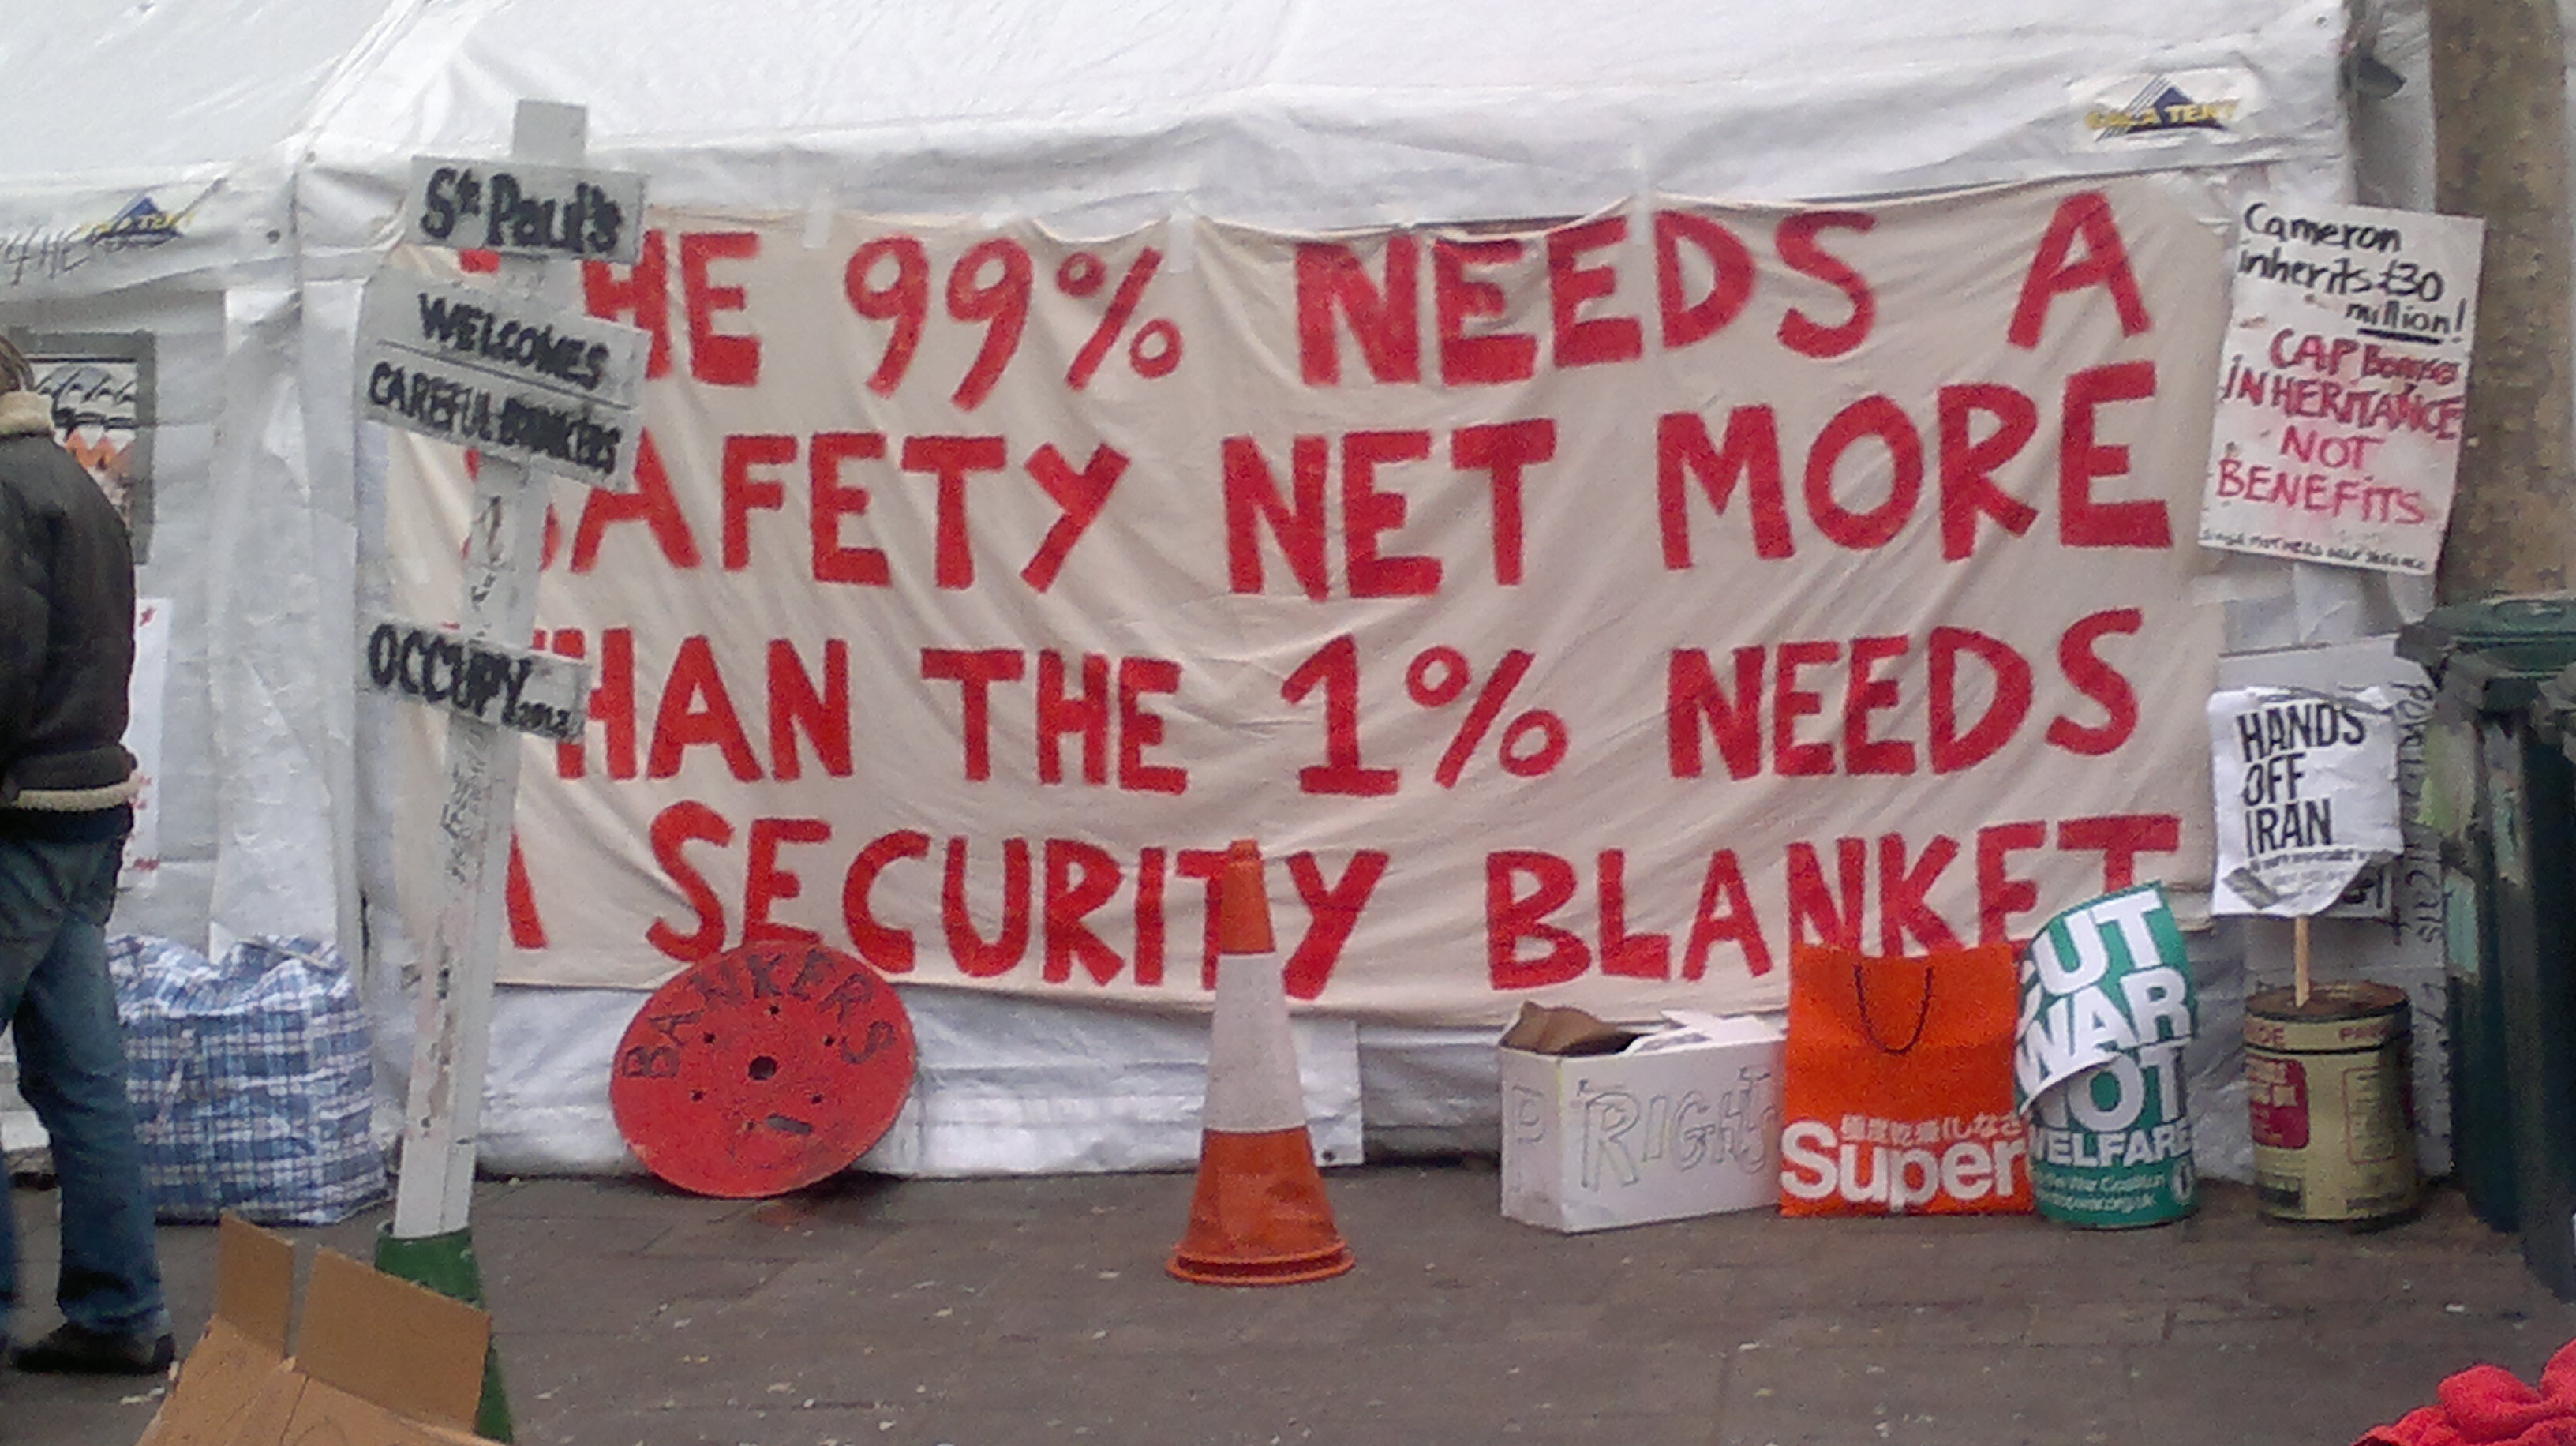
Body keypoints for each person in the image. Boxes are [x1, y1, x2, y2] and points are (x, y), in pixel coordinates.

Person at [0, 332, 170, 1376]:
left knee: (81, 1079)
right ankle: (119, 1310)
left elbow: (5, 666)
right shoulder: (68, 480)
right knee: (81, 1080)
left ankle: (105, 1310)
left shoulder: (6, 489)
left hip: (21, 813)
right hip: (85, 805)